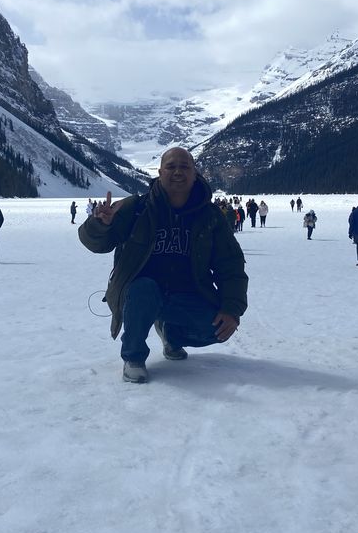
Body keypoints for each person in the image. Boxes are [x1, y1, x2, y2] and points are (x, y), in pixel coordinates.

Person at [78, 147, 249, 384]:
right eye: (171, 167)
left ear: (195, 173)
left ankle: (171, 334)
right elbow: (96, 243)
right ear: (159, 172)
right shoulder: (136, 208)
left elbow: (230, 263)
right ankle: (134, 357)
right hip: (139, 295)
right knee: (144, 288)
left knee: (217, 329)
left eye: (184, 166)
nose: (178, 172)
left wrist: (232, 308)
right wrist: (99, 224)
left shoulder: (210, 216)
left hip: (187, 295)